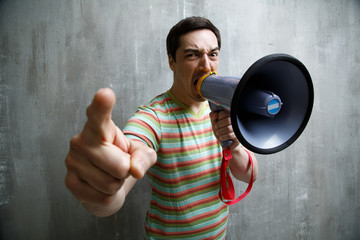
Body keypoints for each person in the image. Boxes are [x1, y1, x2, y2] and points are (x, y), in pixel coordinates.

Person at [65, 16, 258, 239]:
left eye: (213, 54)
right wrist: (103, 194)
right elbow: (125, 167)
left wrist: (233, 146)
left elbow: (250, 175)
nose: (206, 66)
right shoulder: (153, 117)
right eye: (193, 55)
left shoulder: (224, 109)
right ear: (172, 62)